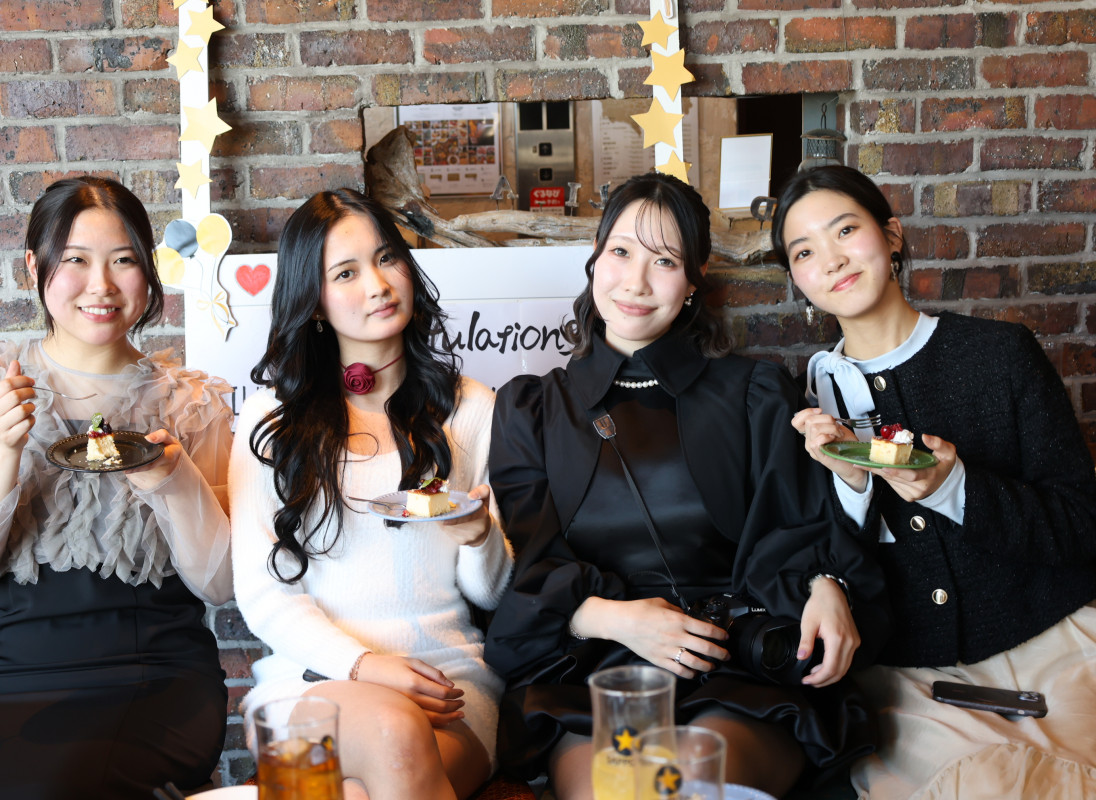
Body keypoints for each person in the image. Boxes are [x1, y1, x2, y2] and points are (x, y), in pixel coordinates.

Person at [482, 172, 889, 800]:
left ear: (694, 281)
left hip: (737, 663)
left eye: (665, 261)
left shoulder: (754, 392)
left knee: (688, 778)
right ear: (594, 260)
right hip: (596, 669)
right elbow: (528, 564)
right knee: (619, 791)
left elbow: (800, 526)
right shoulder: (531, 411)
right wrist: (619, 620)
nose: (636, 282)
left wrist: (825, 584)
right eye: (621, 252)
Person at [0, 176, 234, 799]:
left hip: (154, 674)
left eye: (124, 261)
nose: (101, 285)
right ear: (35, 267)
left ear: (148, 271)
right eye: (76, 260)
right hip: (9, 678)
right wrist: (3, 446)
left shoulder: (190, 404)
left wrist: (172, 481)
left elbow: (219, 584)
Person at [779, 164, 1096, 799]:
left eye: (846, 230)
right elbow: (809, 554)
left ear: (892, 235)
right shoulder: (803, 405)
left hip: (1059, 643)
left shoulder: (1001, 355)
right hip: (911, 683)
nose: (832, 259)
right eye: (804, 252)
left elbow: (1082, 527)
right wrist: (852, 485)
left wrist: (956, 490)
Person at [229, 188, 513, 800]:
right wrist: (365, 668)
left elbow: (490, 593)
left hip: (445, 680)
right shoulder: (271, 420)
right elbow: (263, 594)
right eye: (346, 273)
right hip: (309, 680)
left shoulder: (470, 408)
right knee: (391, 731)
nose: (379, 285)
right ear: (314, 301)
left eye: (387, 258)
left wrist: (480, 538)